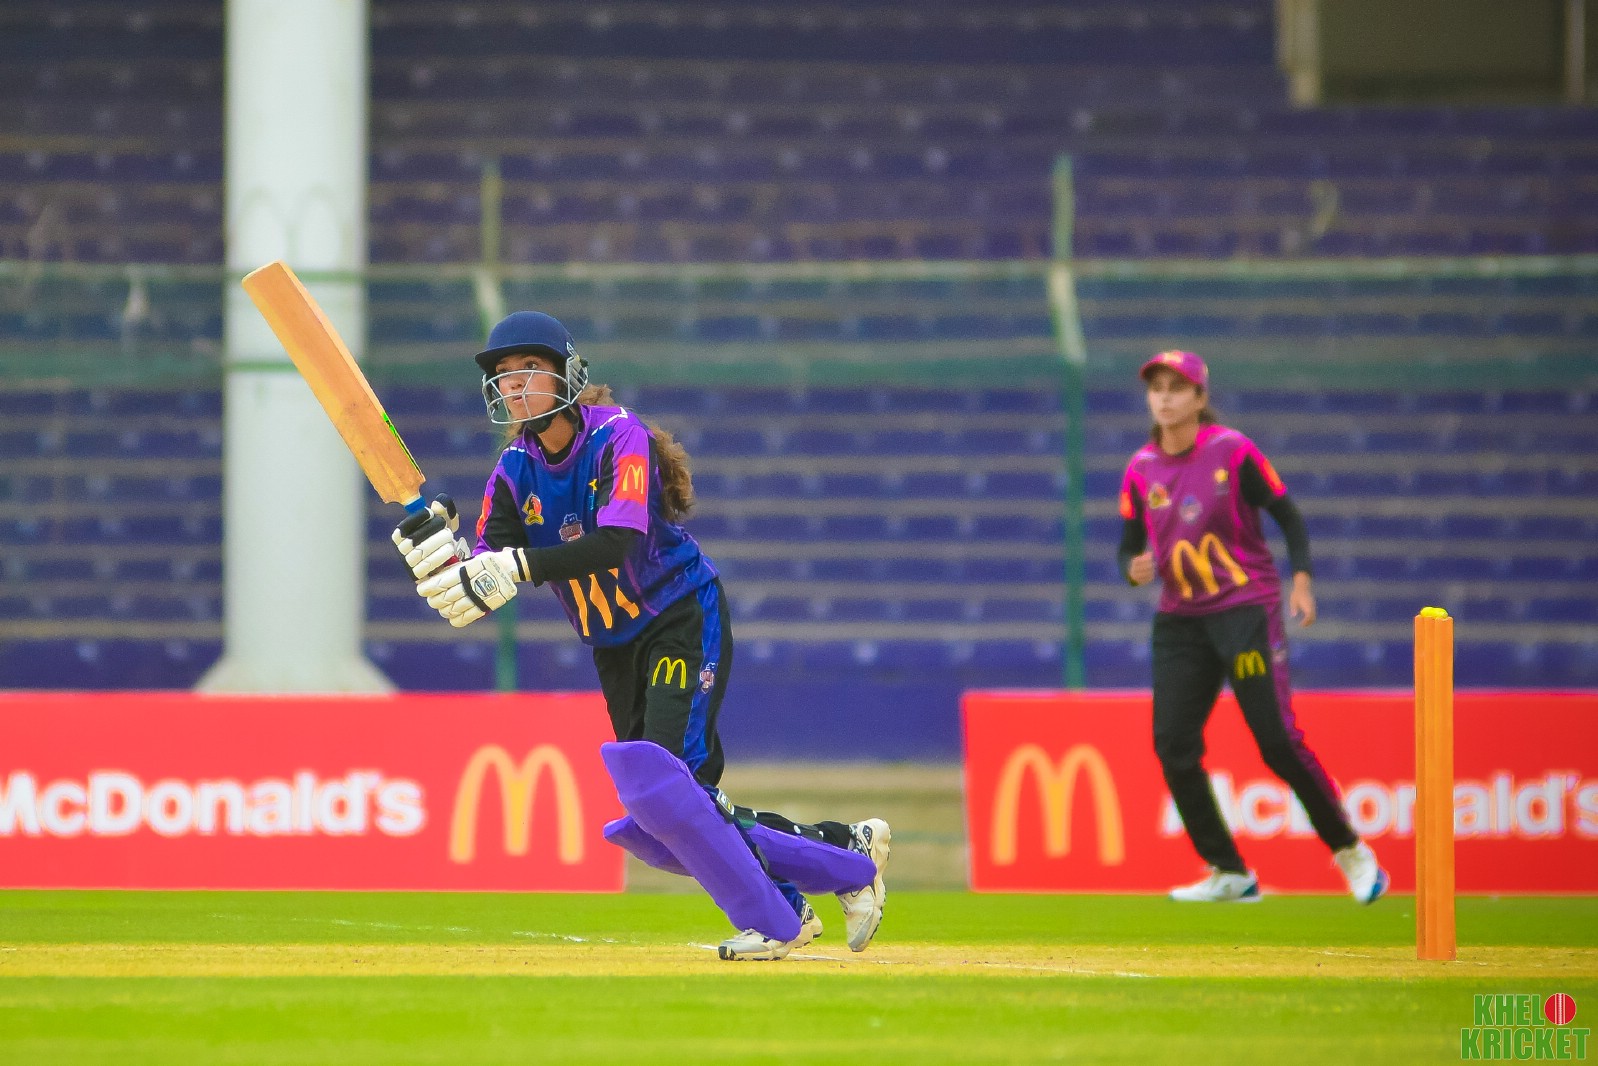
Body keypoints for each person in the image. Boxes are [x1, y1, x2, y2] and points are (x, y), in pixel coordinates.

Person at [390, 310, 890, 959]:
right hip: (613, 643)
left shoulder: (616, 435)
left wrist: (514, 565)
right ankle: (839, 857)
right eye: (504, 374)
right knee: (658, 820)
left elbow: (616, 541)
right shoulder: (512, 471)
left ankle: (782, 914)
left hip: (677, 615)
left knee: (666, 788)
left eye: (530, 368)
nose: (515, 383)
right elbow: (485, 582)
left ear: (568, 374)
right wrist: (442, 556)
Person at [1117, 349, 1388, 904]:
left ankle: (1352, 853)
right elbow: (1128, 547)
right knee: (1172, 744)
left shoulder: (1232, 451)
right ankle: (1230, 872)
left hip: (1243, 614)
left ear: (1200, 398)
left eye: (1177, 388)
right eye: (1156, 388)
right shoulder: (1140, 469)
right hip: (1181, 623)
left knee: (1276, 741)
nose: (1164, 398)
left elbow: (1288, 516)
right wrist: (1132, 568)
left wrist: (1302, 581)